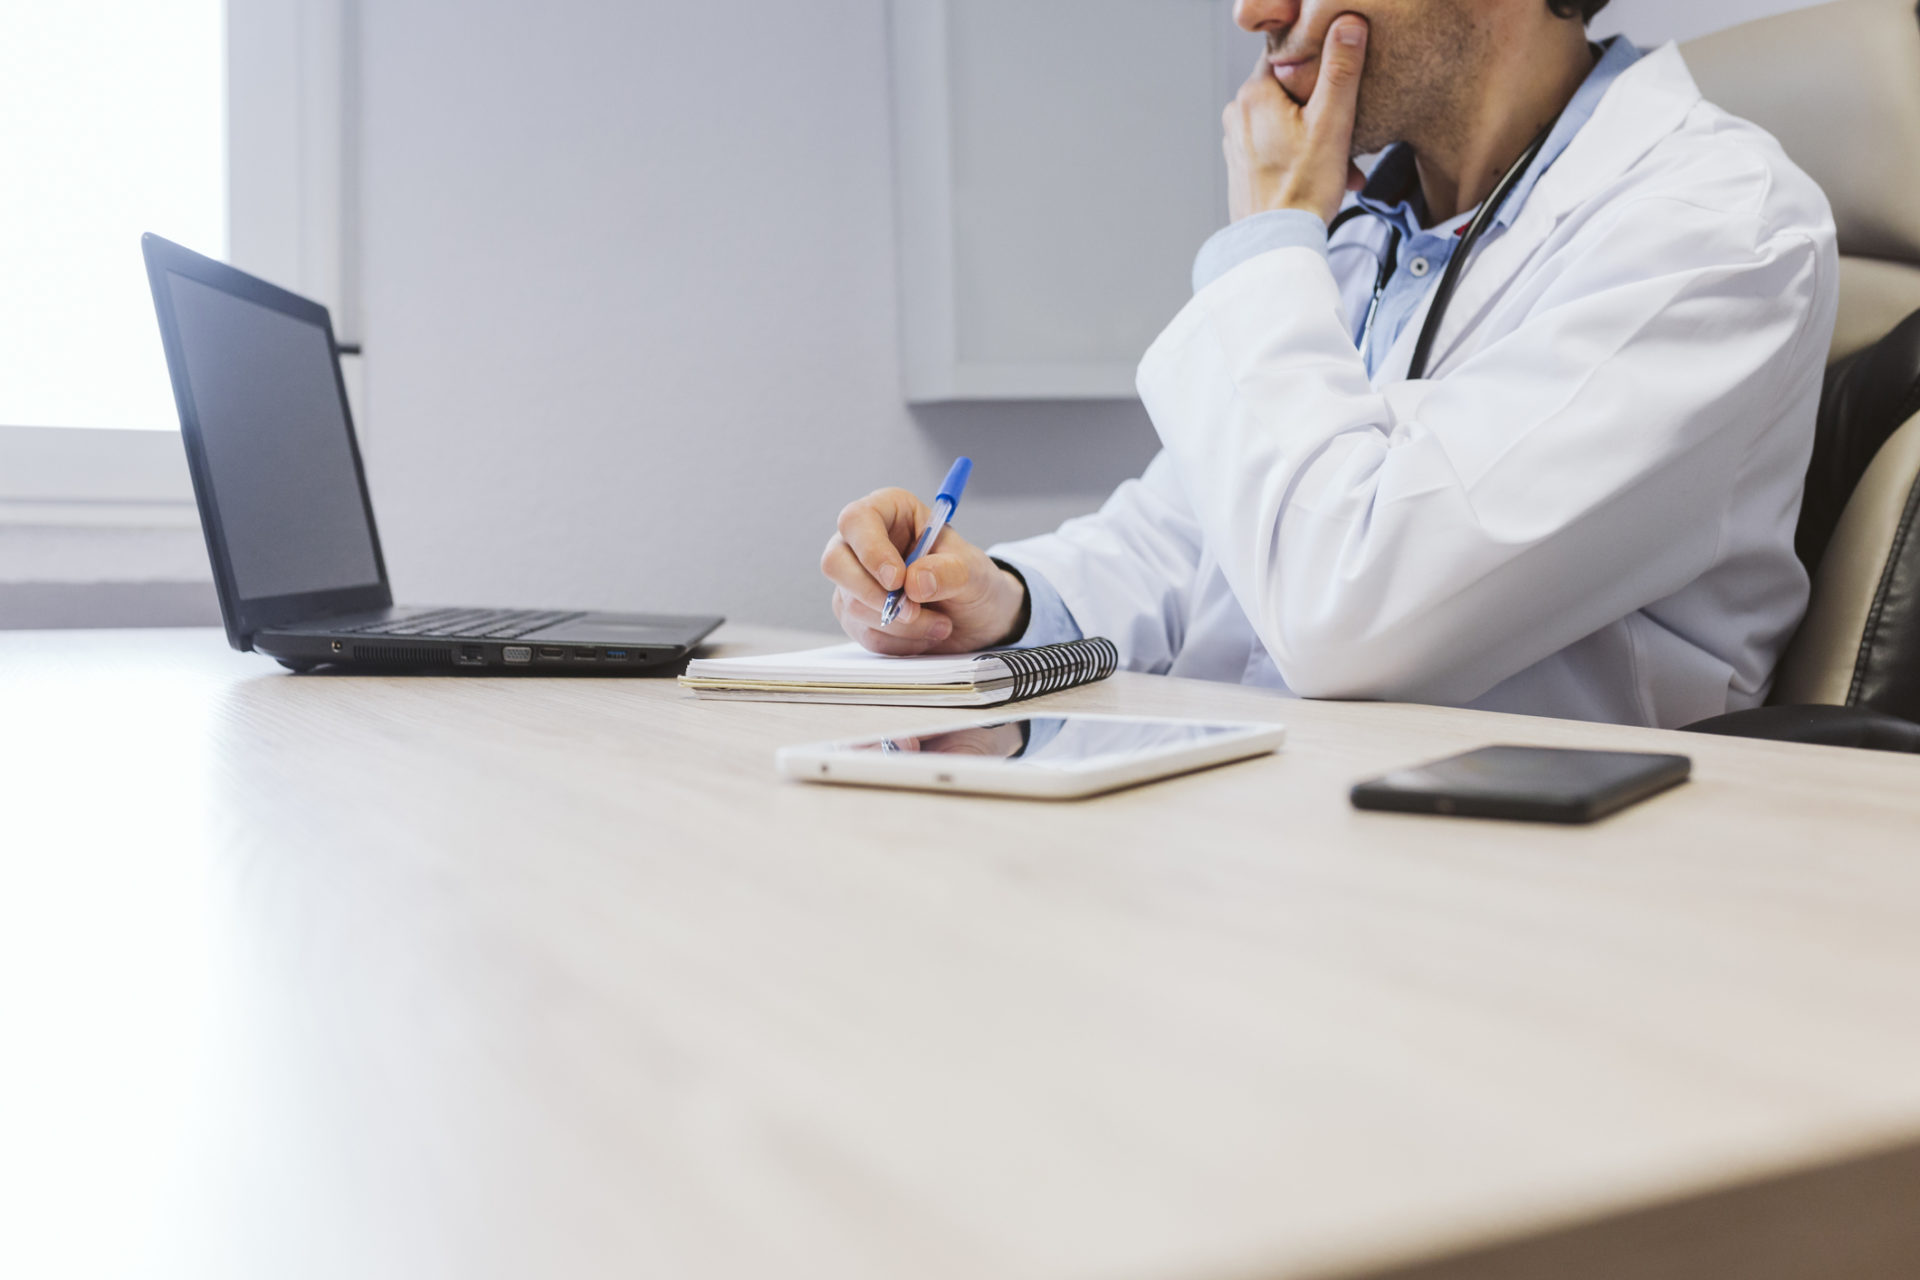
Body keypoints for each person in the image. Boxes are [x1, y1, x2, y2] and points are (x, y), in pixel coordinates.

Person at [820, 0, 1838, 728]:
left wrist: (1264, 247)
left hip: (1524, 888)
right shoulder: (1363, 234)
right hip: (1276, 827)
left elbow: (1348, 614)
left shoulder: (1715, 230)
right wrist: (1000, 597)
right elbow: (1185, 541)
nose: (1253, 13)